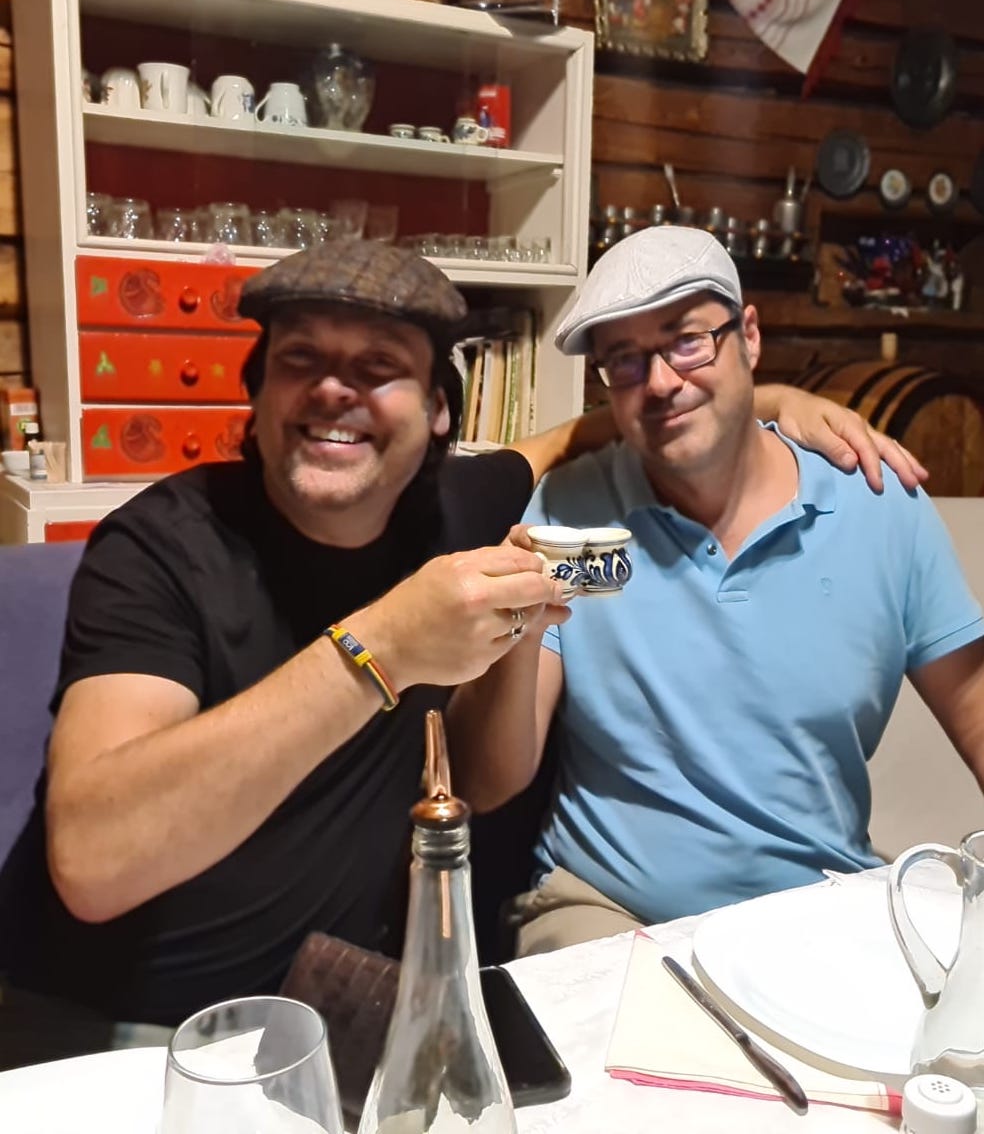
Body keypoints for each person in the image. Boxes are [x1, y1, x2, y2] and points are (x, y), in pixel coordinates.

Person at [1, 239, 925, 1043]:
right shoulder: (161, 547)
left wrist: (766, 401)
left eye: (379, 367)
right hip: (126, 1026)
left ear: (440, 412)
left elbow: (593, 430)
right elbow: (92, 862)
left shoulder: (463, 507)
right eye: (300, 358)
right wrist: (379, 650)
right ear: (258, 390)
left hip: (346, 1013)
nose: (334, 389)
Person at [447, 225, 984, 957]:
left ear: (749, 338)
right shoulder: (570, 514)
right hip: (610, 910)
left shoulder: (878, 506)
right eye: (625, 359)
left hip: (820, 908)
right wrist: (520, 624)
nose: (660, 381)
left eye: (688, 341)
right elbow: (483, 781)